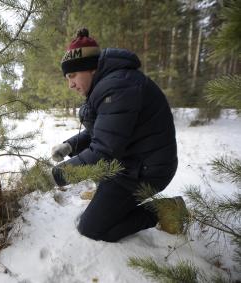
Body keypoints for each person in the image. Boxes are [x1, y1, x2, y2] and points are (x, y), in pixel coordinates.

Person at [51, 28, 182, 242]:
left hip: (146, 171)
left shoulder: (118, 87)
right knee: (102, 197)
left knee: (93, 229)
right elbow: (107, 131)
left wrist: (58, 175)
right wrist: (70, 145)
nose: (70, 84)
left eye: (72, 75)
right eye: (67, 78)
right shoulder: (110, 83)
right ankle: (109, 197)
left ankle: (165, 209)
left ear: (90, 68)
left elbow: (104, 151)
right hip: (131, 163)